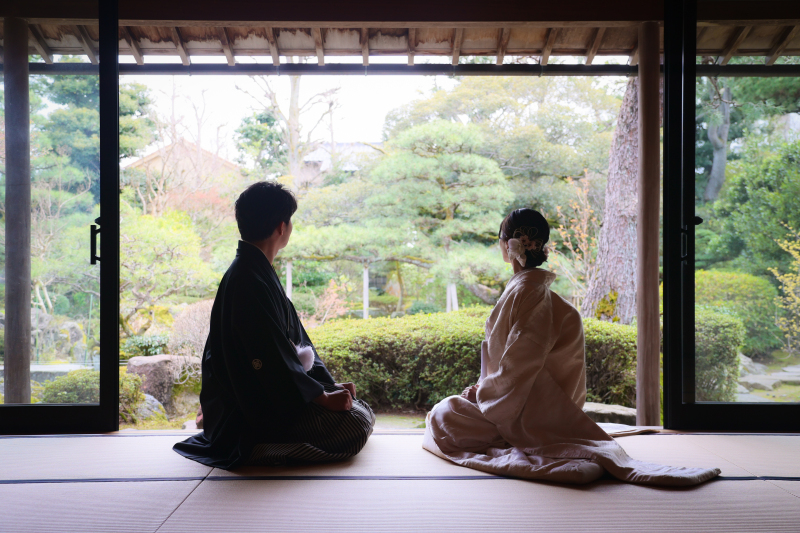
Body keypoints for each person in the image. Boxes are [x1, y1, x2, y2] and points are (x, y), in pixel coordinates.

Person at [422, 208, 720, 486]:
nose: (499, 244)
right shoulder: (528, 288)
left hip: (529, 411)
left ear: (511, 245)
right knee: (447, 413)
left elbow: (520, 365)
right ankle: (520, 438)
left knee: (443, 414)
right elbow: (509, 361)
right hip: (512, 400)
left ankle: (545, 448)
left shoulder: (530, 292)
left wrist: (483, 394)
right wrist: (483, 388)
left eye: (500, 238)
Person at [174, 182, 375, 469]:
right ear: (282, 227)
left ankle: (278, 440)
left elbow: (291, 347)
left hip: (271, 397)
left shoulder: (253, 271)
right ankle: (261, 448)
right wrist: (321, 397)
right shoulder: (248, 280)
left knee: (357, 408)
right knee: (354, 427)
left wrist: (325, 388)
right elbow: (269, 360)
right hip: (249, 413)